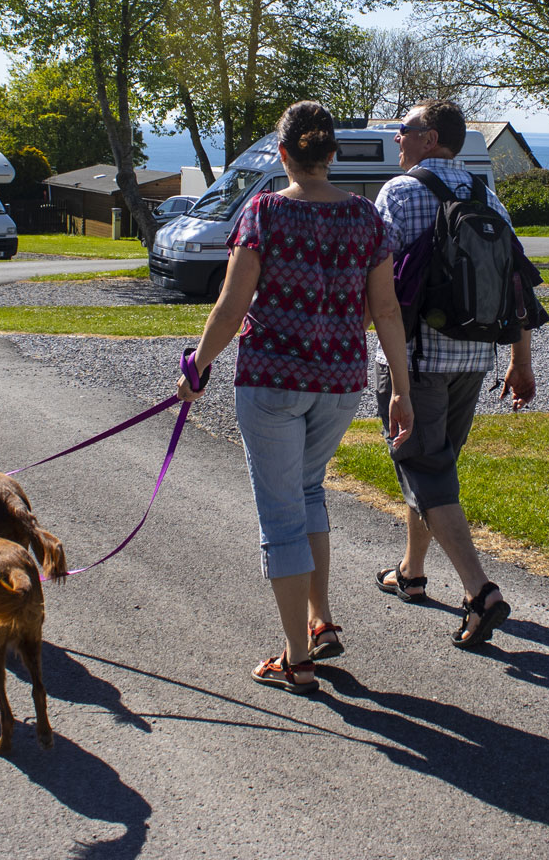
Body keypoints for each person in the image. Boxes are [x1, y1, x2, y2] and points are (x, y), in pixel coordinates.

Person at [179, 101, 413, 695]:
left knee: (281, 513)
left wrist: (196, 368)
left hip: (272, 383)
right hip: (339, 385)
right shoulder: (365, 217)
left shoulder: (264, 212)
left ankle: (297, 660)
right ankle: (319, 618)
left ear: (282, 153)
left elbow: (231, 306)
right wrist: (402, 390)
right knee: (308, 491)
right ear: (332, 153)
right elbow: (387, 310)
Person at [372, 99, 536, 648]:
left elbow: (377, 283)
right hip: (474, 357)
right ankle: (411, 572)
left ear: (430, 138)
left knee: (425, 468)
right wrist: (520, 360)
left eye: (404, 129)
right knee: (434, 470)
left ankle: (479, 592)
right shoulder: (485, 195)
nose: (397, 137)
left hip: (415, 361)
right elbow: (516, 282)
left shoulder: (400, 193)